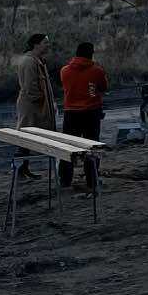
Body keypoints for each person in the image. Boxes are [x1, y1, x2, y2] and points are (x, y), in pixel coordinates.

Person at [57, 41, 109, 191]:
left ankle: (65, 179)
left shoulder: (64, 71)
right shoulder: (97, 71)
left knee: (68, 147)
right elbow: (104, 87)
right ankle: (92, 180)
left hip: (71, 113)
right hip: (91, 112)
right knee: (91, 147)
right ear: (91, 54)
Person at [12, 32, 59, 179]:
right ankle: (19, 170)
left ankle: (23, 170)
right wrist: (42, 102)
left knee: (28, 138)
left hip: (37, 106)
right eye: (45, 42)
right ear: (36, 44)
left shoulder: (37, 60)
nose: (48, 45)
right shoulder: (29, 62)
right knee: (26, 137)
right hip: (32, 108)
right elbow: (30, 88)